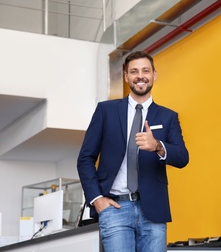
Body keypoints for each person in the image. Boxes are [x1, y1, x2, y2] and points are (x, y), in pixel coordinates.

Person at [77, 50, 189, 252]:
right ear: (126, 76)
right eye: (134, 71)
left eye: (146, 71)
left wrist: (158, 146)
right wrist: (96, 199)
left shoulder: (168, 116)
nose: (140, 76)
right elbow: (85, 158)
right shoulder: (106, 111)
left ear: (154, 74)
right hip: (115, 208)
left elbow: (182, 157)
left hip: (153, 210)